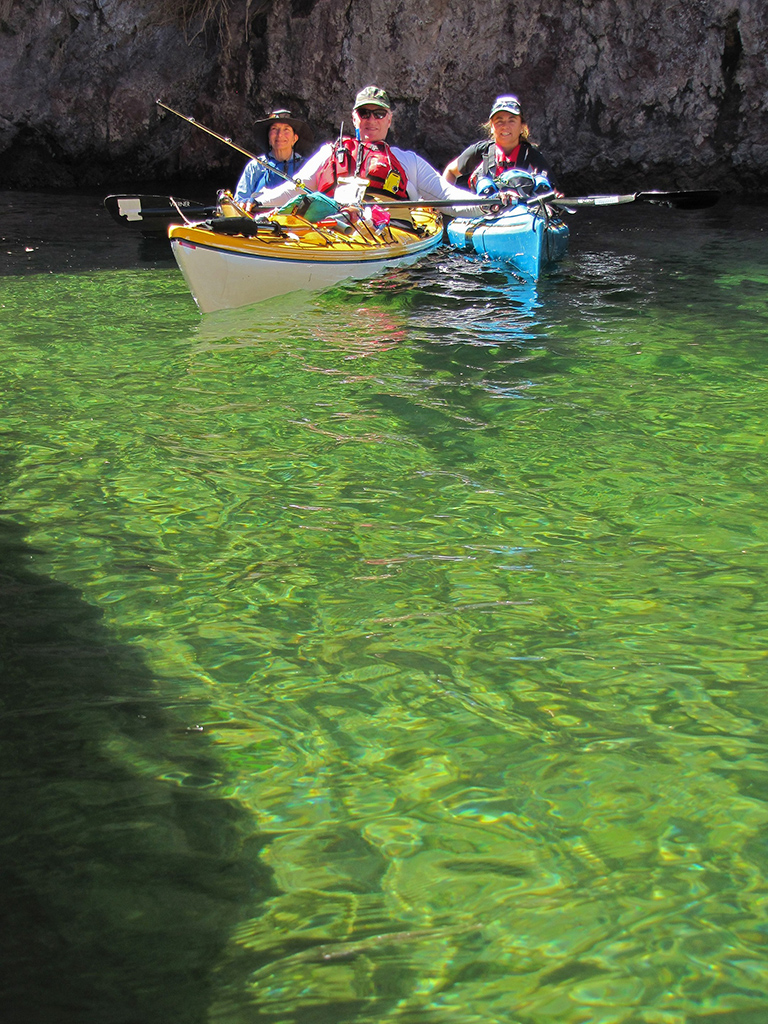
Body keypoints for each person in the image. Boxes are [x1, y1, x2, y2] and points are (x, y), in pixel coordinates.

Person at [255, 86, 486, 218]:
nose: (371, 120)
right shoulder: (330, 153)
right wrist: (255, 202)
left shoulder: (408, 162)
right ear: (355, 118)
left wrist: (488, 204)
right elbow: (295, 187)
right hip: (334, 232)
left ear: (389, 119)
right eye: (365, 113)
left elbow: (447, 197)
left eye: (379, 114)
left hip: (389, 234)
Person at [443, 95, 553, 191]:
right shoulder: (480, 152)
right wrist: (445, 204)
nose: (505, 126)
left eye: (511, 120)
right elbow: (451, 172)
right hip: (484, 212)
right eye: (499, 121)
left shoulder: (533, 157)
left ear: (522, 127)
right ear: (491, 127)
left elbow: (553, 192)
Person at [233, 110, 314, 207]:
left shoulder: (308, 167)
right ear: (268, 138)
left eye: (286, 130)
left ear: (295, 139)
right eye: (274, 129)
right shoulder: (255, 166)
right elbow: (239, 201)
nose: (280, 134)